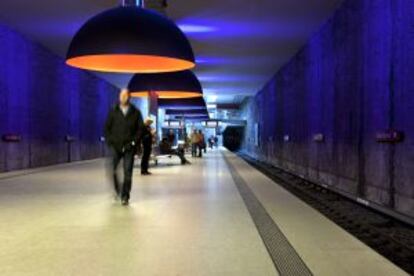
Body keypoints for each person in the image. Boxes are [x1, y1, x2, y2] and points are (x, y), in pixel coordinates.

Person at [105, 89, 143, 206]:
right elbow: (107, 127)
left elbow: (140, 129)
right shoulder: (113, 111)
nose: (123, 97)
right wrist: (110, 141)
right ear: (119, 96)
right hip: (116, 146)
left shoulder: (135, 112)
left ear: (129, 97)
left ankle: (125, 196)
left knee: (128, 173)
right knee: (113, 170)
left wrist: (133, 143)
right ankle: (118, 190)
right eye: (121, 95)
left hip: (129, 147)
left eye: (125, 95)